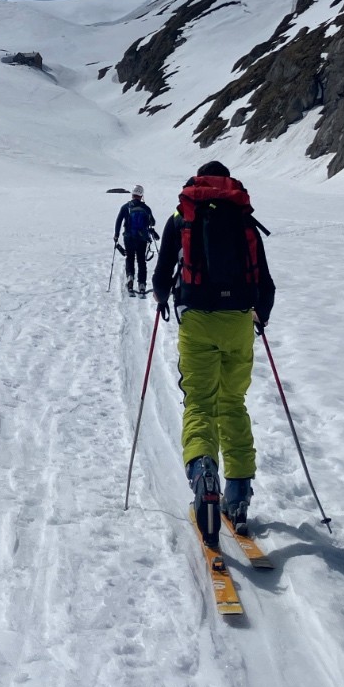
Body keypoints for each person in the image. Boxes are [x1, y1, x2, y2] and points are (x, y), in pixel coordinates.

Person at [151, 160, 275, 542]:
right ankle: (238, 495)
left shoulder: (181, 215)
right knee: (233, 402)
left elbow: (161, 275)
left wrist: (162, 301)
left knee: (200, 403)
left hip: (198, 320)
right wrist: (259, 320)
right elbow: (265, 284)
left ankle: (203, 472)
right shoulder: (242, 216)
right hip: (237, 321)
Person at [113, 185, 158, 294]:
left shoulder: (126, 207)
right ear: (141, 195)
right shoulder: (146, 208)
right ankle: (142, 284)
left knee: (130, 258)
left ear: (132, 194)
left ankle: (130, 279)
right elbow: (152, 222)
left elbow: (118, 221)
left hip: (128, 237)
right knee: (141, 260)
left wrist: (116, 235)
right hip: (142, 238)